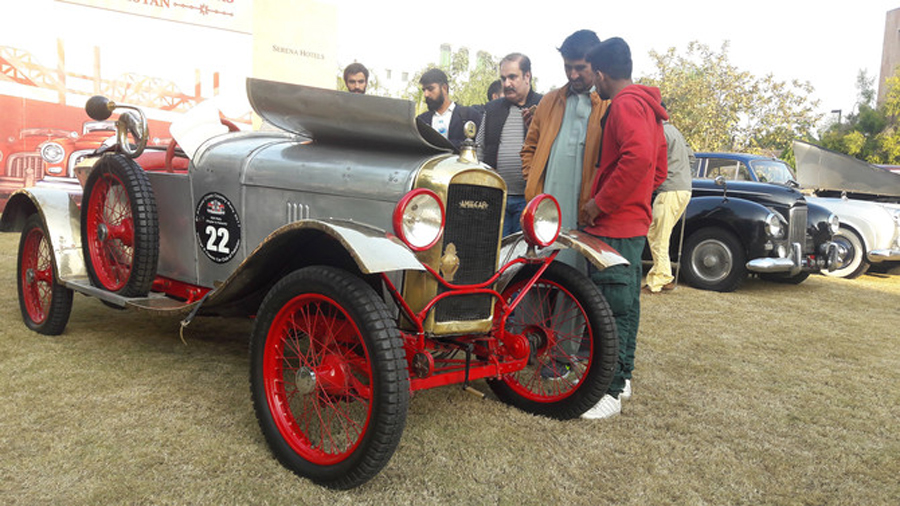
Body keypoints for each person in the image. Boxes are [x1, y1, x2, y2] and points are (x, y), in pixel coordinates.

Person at [579, 37, 668, 419]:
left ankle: (608, 392)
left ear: (600, 74)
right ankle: (624, 378)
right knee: (627, 304)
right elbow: (659, 168)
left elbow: (639, 158)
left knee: (610, 307)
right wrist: (637, 201)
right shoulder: (650, 107)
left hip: (614, 225)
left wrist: (601, 203)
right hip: (632, 223)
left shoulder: (624, 105)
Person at [521, 30, 608, 244]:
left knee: (577, 272)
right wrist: (534, 184)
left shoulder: (610, 104)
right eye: (568, 67)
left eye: (580, 68)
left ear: (597, 65)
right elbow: (529, 148)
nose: (573, 75)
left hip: (588, 214)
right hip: (546, 211)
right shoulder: (549, 101)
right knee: (546, 269)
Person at [476, 54, 543, 235]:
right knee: (497, 253)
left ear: (527, 76)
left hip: (529, 200)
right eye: (503, 78)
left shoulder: (544, 107)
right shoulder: (492, 109)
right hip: (497, 199)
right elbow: (479, 150)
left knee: (523, 256)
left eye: (512, 77)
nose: (506, 84)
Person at [644, 109, 695, 294]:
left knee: (658, 235)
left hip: (669, 190)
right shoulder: (675, 131)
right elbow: (691, 157)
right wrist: (683, 176)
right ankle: (663, 275)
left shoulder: (659, 133)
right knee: (657, 233)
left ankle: (660, 280)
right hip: (684, 189)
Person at [416, 68, 481, 149]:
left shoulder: (468, 115)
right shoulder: (421, 121)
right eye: (424, 90)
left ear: (444, 88)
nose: (426, 94)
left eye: (430, 89)